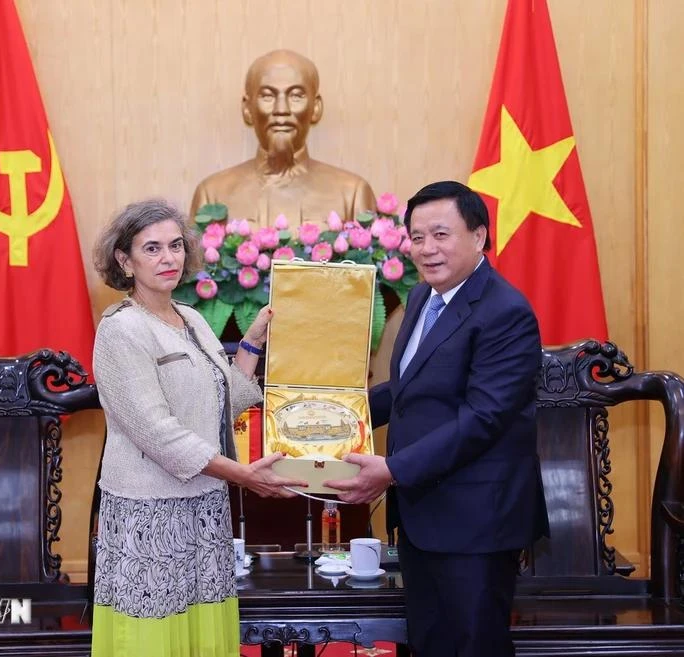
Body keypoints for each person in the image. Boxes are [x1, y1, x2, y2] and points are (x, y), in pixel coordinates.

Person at [325, 181, 549, 657]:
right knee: (430, 644)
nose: (427, 249)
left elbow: (483, 418)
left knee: (473, 646)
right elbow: (408, 392)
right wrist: (338, 412)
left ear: (479, 236)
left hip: (477, 523)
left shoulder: (505, 312)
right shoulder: (423, 297)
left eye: (441, 234)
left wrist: (393, 470)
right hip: (424, 516)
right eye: (418, 236)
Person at [90, 198, 305, 657]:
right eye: (151, 249)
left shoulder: (189, 318)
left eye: (174, 246)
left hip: (203, 504)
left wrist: (252, 343)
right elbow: (158, 433)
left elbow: (221, 400)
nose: (168, 258)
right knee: (152, 639)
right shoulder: (121, 329)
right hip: (149, 512)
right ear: (124, 261)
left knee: (200, 630)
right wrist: (244, 475)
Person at [189, 49, 376, 227]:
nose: (281, 109)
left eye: (296, 96)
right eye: (267, 96)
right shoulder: (213, 194)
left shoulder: (352, 194)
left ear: (316, 107)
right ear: (247, 108)